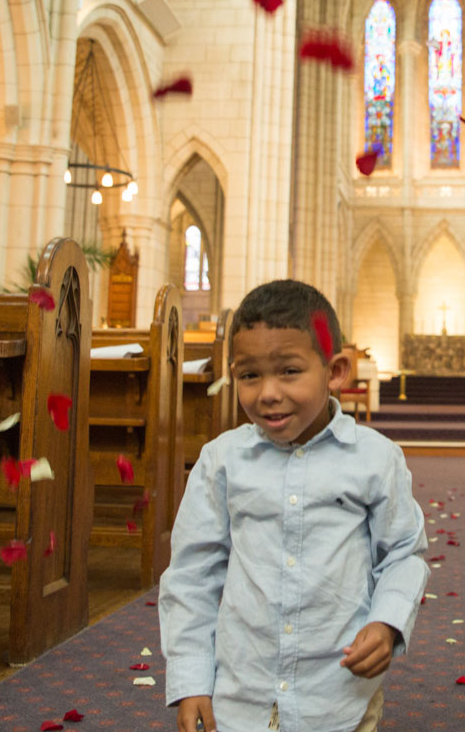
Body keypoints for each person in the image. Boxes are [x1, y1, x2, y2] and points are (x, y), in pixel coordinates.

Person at [160, 279, 429, 732]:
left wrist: (387, 623)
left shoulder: (375, 459)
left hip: (338, 694)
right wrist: (191, 681)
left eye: (288, 371)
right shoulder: (221, 462)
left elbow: (403, 552)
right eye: (249, 375)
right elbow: (192, 574)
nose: (267, 392)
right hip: (240, 694)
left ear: (336, 371)